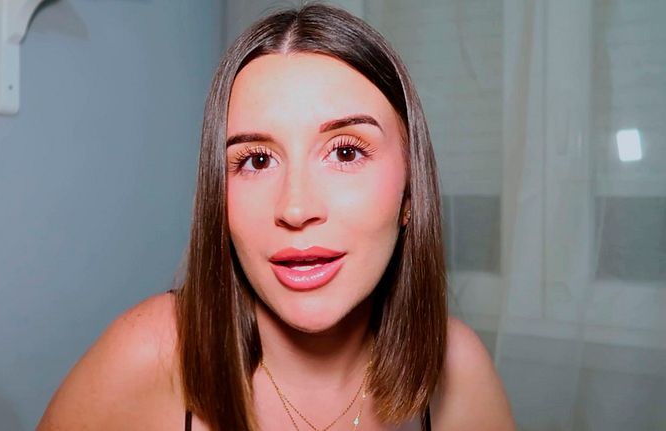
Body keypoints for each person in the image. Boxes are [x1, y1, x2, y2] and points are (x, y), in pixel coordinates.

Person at [37, 4, 514, 430]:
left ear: (410, 191)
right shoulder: (150, 354)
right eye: (257, 160)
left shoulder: (459, 370)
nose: (296, 209)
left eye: (346, 152)